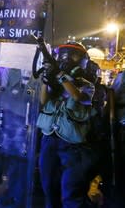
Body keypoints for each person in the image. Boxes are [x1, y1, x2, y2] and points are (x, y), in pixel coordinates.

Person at [37, 42, 96, 208]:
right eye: (64, 54)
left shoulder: (87, 84)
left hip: (72, 145)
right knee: (48, 185)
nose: (68, 58)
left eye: (74, 55)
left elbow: (77, 96)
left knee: (70, 191)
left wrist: (60, 75)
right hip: (49, 139)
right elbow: (43, 100)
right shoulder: (56, 81)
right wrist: (47, 80)